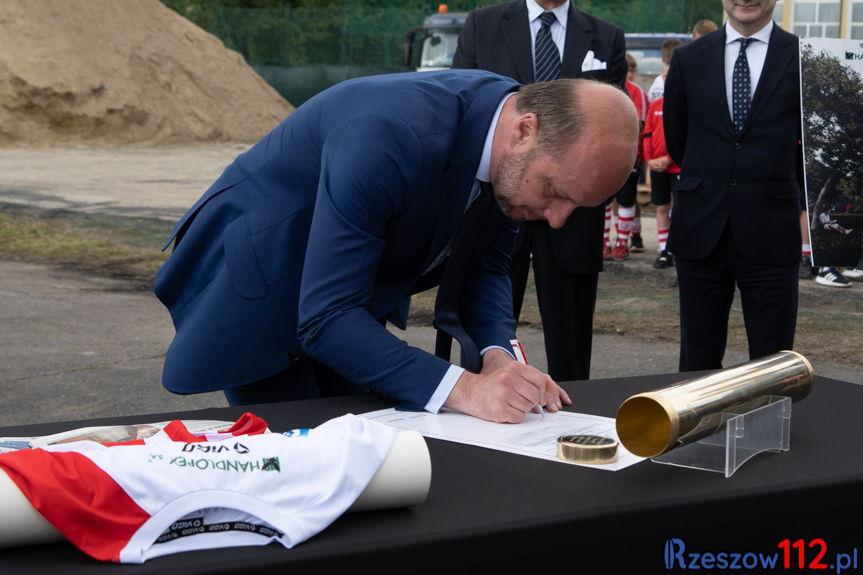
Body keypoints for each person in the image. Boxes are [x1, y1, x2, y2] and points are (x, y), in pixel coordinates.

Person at [154, 70, 639, 423]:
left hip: (339, 295)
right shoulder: (389, 134)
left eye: (576, 207)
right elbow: (326, 318)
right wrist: (465, 389)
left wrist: (499, 357)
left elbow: (487, 264)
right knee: (298, 459)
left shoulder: (509, 142)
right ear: (524, 131)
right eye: (554, 192)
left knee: (360, 435)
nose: (557, 220)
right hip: (262, 283)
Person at [451, 0, 627, 382]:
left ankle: (574, 415)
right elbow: (464, 105)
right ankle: (482, 406)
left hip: (572, 218)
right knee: (486, 340)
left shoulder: (605, 36)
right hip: (494, 208)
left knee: (571, 351)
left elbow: (613, 127)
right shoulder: (483, 25)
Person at [664, 0, 803, 371]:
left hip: (772, 230)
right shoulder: (688, 58)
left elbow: (808, 148)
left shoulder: (801, 57)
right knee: (698, 361)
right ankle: (698, 414)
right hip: (701, 229)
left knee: (772, 364)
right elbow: (678, 139)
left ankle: (769, 414)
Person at [605, 53, 648, 261]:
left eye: (632, 70)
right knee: (603, 200)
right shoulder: (605, 88)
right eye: (626, 69)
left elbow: (641, 124)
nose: (628, 74)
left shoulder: (636, 92)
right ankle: (604, 242)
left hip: (629, 156)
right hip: (602, 156)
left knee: (625, 200)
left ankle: (622, 243)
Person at [642, 58, 680, 270]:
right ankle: (664, 249)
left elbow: (685, 136)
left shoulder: (683, 103)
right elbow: (647, 134)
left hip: (676, 166)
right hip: (657, 166)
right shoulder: (656, 105)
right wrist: (649, 161)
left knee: (679, 208)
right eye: (663, 76)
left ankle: (677, 249)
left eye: (669, 75)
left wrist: (670, 158)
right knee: (661, 207)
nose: (666, 79)